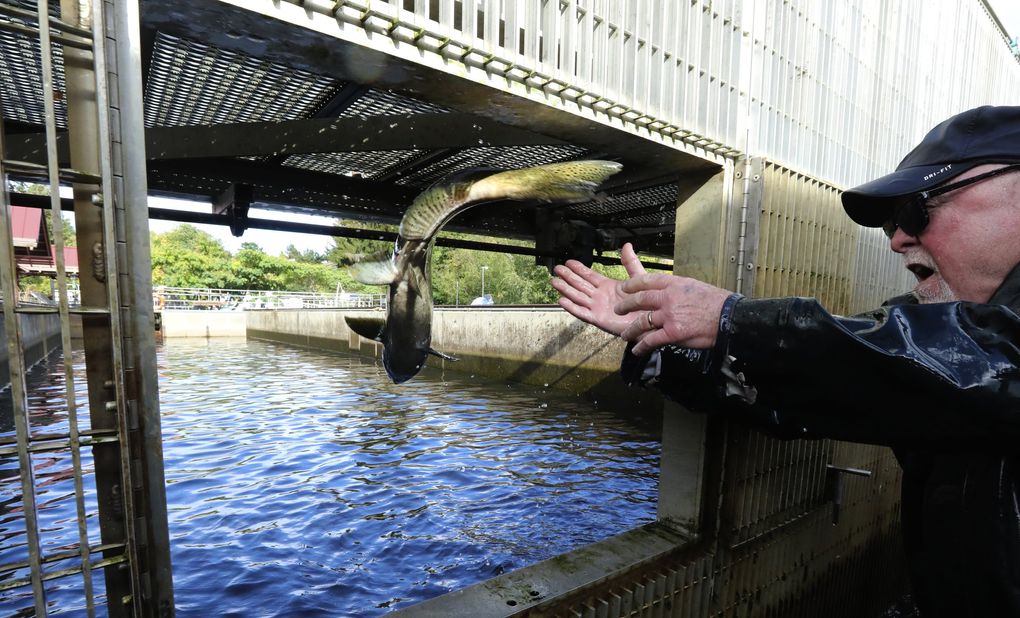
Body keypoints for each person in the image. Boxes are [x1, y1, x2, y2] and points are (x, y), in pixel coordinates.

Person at [551, 105, 1020, 618]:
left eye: (916, 211)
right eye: (891, 223)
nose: (896, 240)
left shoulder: (979, 345)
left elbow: (985, 369)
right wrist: (661, 341)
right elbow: (811, 382)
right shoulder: (921, 332)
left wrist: (732, 319)